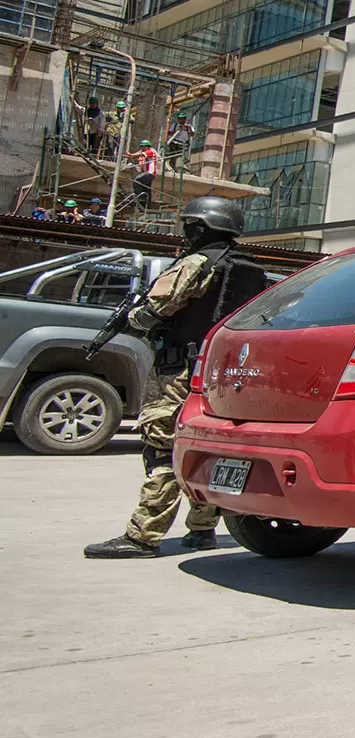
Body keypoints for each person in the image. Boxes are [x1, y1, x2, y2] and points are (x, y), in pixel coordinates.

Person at [84, 197, 269, 559]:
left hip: (179, 371)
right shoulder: (249, 268)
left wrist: (134, 317)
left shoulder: (197, 263)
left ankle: (142, 536)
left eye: (190, 224)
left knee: (163, 449)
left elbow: (153, 312)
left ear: (201, 227)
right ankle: (202, 529)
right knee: (206, 449)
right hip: (222, 373)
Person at [130, 140, 159, 208]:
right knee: (146, 189)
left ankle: (140, 197)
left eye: (144, 147)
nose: (142, 148)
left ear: (147, 147)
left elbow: (140, 154)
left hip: (150, 172)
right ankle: (146, 205)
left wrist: (131, 155)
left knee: (136, 181)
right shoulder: (144, 152)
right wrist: (130, 155)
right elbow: (137, 154)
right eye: (141, 147)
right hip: (147, 173)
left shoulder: (151, 151)